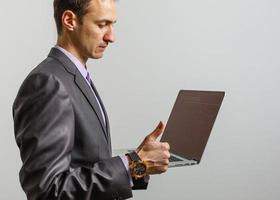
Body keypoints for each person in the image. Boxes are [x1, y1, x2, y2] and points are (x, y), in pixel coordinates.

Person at [12, 0, 170, 199]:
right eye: (102, 24)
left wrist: (140, 161)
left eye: (113, 24)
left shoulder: (74, 77)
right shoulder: (48, 82)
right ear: (69, 20)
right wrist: (132, 165)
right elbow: (48, 190)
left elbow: (84, 162)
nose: (111, 36)